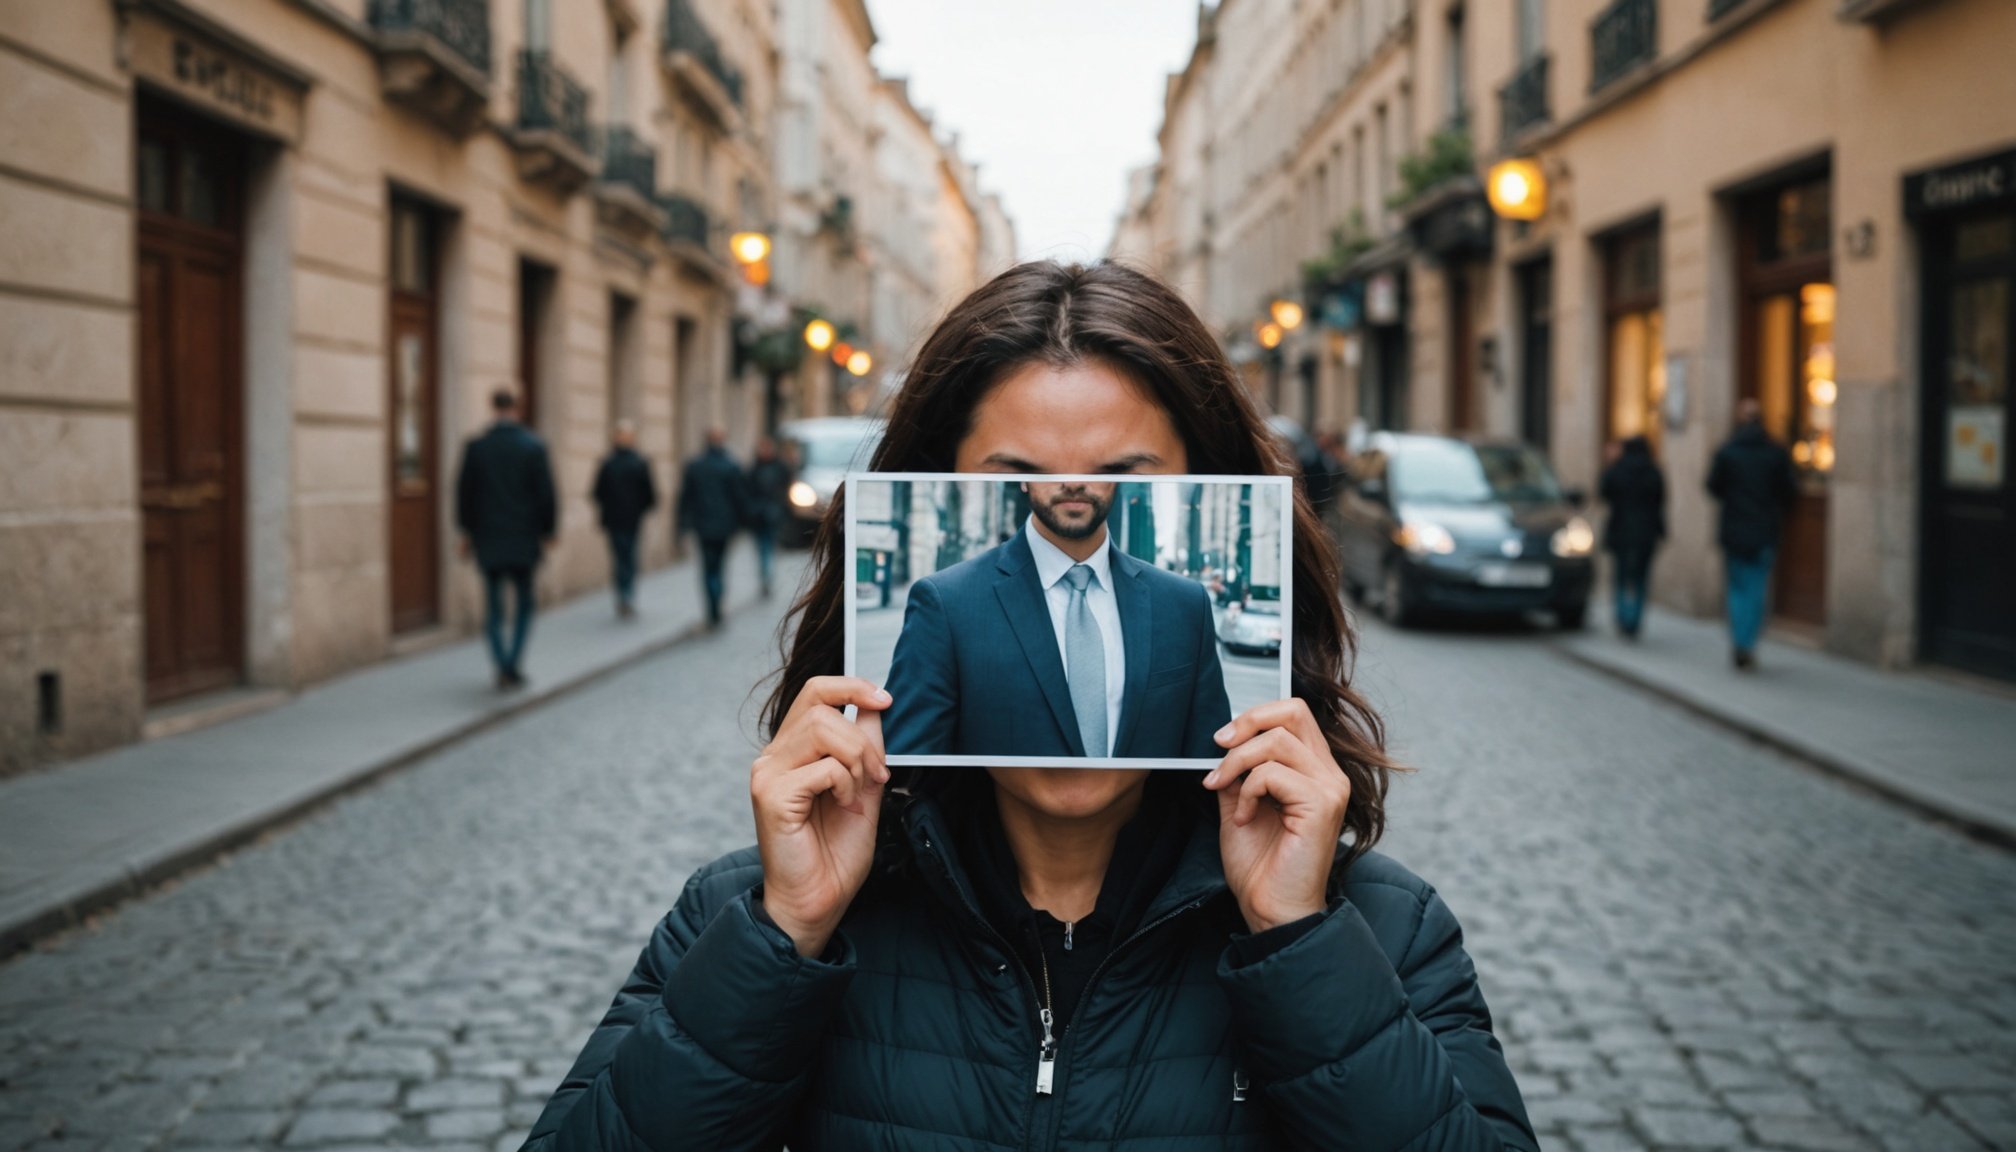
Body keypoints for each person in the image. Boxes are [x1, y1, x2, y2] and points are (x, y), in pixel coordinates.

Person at [522, 262, 1536, 1151]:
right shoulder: (756, 914)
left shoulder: (1378, 931)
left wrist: (1299, 946)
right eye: (1016, 475)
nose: (1070, 495)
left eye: (1125, 475)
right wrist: (782, 939)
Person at [881, 478, 1232, 760]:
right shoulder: (946, 601)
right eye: (1050, 464)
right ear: (1021, 477)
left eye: (1095, 466)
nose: (1074, 481)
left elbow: (1211, 769)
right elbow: (908, 766)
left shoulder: (1185, 604)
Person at [455, 387, 556, 690]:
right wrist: (548, 532)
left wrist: (466, 532)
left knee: (494, 607)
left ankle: (501, 663)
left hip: (489, 539)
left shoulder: (477, 447)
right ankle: (513, 663)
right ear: (517, 409)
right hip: (524, 539)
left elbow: (464, 495)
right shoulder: (533, 446)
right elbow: (546, 496)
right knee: (525, 604)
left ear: (492, 407)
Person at [1707, 398, 1796, 670]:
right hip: (1763, 530)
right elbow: (1789, 492)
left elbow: (1713, 487)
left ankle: (1740, 639)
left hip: (1735, 529)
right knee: (1756, 588)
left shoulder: (1727, 452)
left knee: (1736, 587)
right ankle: (1747, 641)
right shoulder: (1775, 453)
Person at [677, 428, 747, 627]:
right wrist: (742, 522)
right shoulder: (730, 466)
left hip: (703, 525)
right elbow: (739, 498)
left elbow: (685, 497)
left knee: (708, 567)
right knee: (720, 566)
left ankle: (712, 606)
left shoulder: (695, 466)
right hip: (725, 525)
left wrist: (683, 523)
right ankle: (717, 602)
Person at [1598, 434, 1666, 640]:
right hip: (1646, 532)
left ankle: (1623, 616)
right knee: (1640, 578)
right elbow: (1660, 500)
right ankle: (1634, 619)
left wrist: (1610, 464)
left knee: (1621, 576)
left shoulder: (1617, 471)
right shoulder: (1653, 472)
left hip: (1621, 530)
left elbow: (1603, 493)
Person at [590, 419, 657, 619]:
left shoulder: (613, 462)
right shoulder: (633, 462)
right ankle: (625, 594)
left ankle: (624, 593)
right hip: (628, 518)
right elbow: (650, 496)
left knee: (622, 557)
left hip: (618, 518)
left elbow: (597, 492)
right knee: (627, 556)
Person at [745, 435, 795, 599]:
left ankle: (767, 576)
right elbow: (747, 493)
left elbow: (788, 488)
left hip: (774, 515)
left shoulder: (780, 468)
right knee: (762, 549)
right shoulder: (754, 469)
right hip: (759, 517)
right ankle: (765, 576)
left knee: (768, 548)